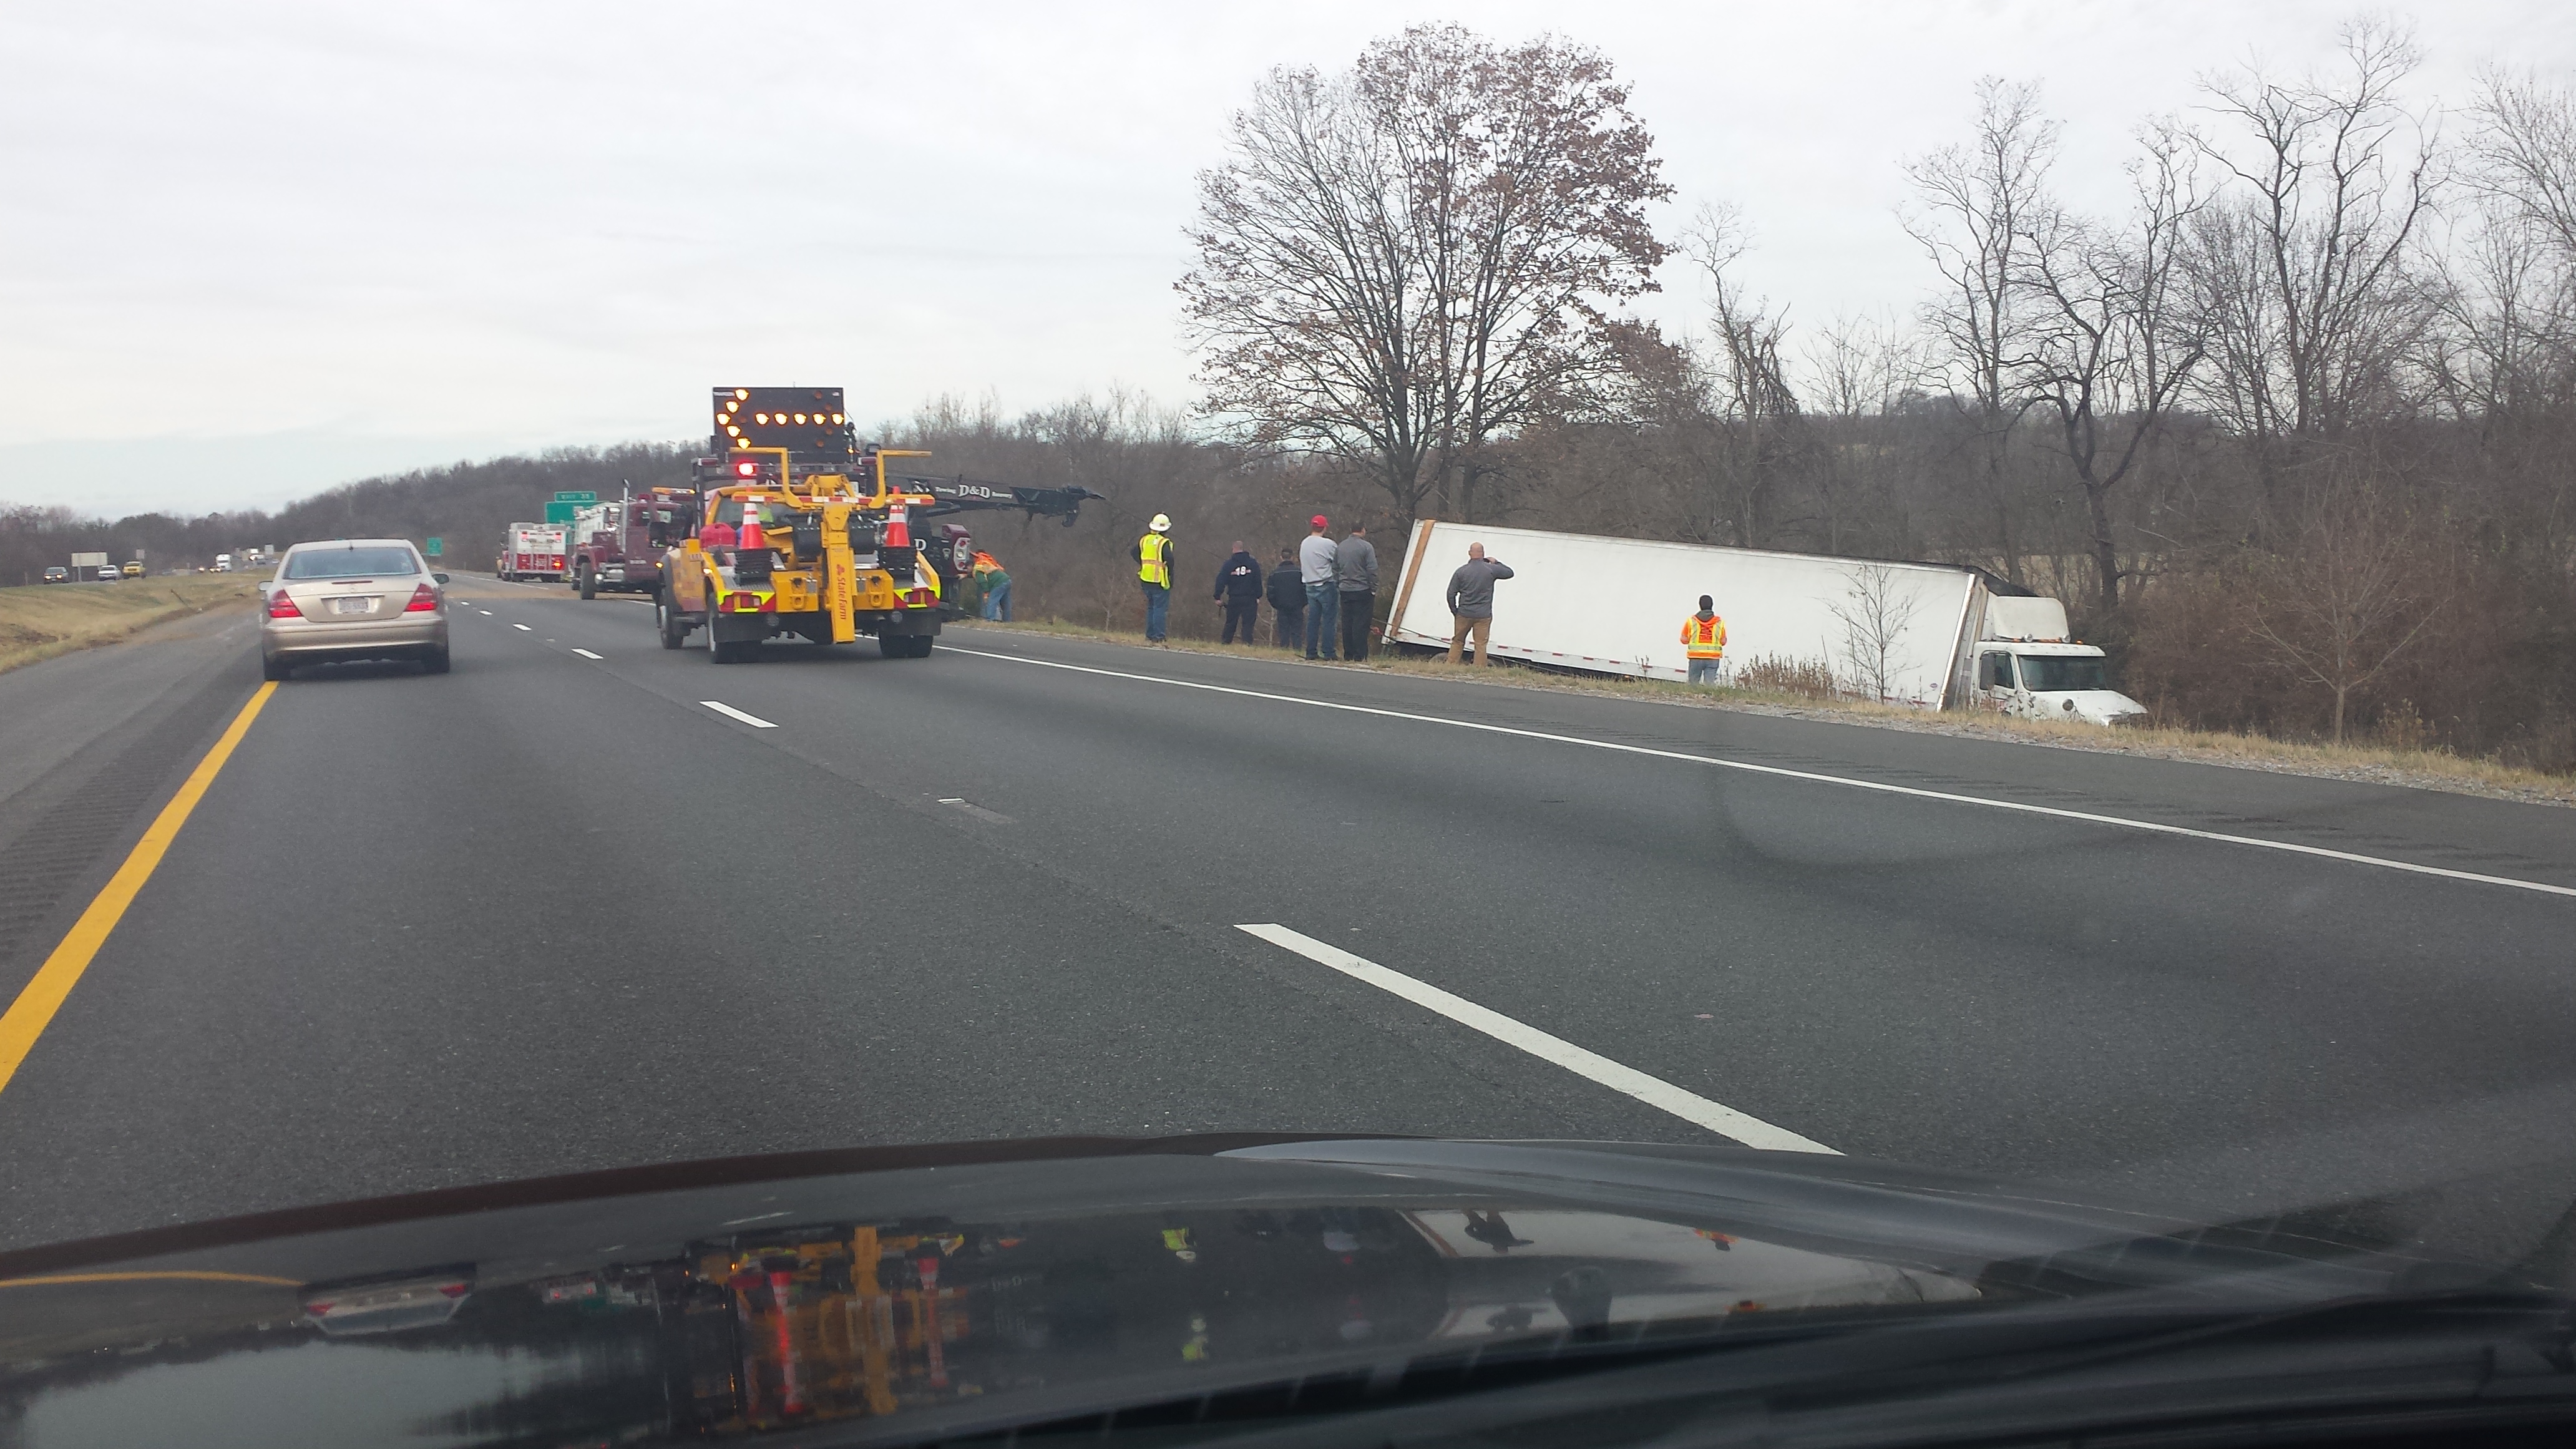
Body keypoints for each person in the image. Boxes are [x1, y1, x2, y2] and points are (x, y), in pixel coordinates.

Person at [1444, 541, 1514, 665]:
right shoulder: (1491, 569)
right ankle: (1479, 669)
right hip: (1483, 615)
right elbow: (1509, 573)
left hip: (1464, 613)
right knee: (1480, 644)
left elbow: (1451, 594)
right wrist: (1496, 562)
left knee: (1458, 641)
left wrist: (1455, 611)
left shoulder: (1461, 571)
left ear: (1469, 553)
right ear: (1483, 554)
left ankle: (1451, 665)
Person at [1335, 520, 1378, 662]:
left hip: (1345, 589)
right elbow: (1372, 569)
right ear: (1363, 530)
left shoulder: (1341, 546)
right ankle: (1360, 655)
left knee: (1347, 622)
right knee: (1361, 623)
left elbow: (1335, 567)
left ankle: (1348, 654)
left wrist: (1339, 583)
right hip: (1362, 589)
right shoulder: (1366, 547)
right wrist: (1374, 587)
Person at [1299, 514, 1339, 660]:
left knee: (1313, 620)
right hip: (1326, 584)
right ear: (1325, 527)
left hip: (1309, 585)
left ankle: (1311, 652)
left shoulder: (1304, 543)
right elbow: (1338, 561)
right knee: (1329, 620)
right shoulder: (1328, 544)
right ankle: (1328, 652)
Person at [1132, 513, 1174, 643]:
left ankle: (1149, 635)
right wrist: (1170, 576)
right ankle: (1159, 636)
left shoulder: (1144, 540)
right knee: (1160, 609)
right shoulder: (1164, 543)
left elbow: (1133, 552)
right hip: (1159, 580)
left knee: (1151, 607)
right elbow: (1170, 560)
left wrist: (1143, 564)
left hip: (1145, 579)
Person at [1214, 540, 1262, 643]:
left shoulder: (1228, 564)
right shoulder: (1253, 563)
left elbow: (1221, 580)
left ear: (1234, 549)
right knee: (1248, 624)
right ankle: (1247, 644)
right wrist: (1258, 596)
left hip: (1234, 598)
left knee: (1231, 622)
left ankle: (1226, 643)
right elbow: (1258, 580)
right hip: (1250, 598)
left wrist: (1218, 596)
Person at [1681, 594, 1726, 685]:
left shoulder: (1691, 621)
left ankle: (1693, 699)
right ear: (1712, 606)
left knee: (1693, 684)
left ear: (1700, 605)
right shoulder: (1719, 623)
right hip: (1713, 658)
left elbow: (1683, 639)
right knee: (1709, 685)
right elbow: (1723, 641)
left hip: (1695, 657)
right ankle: (1708, 699)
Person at [1266, 547, 1305, 650]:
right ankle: (1298, 649)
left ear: (1281, 557)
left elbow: (1270, 592)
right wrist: (1302, 603)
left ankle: (1284, 648)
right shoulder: (1299, 572)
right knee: (1297, 630)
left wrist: (1276, 605)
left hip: (1281, 606)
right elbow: (1305, 590)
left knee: (1283, 630)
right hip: (1297, 606)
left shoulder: (1275, 573)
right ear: (1292, 558)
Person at [978, 553, 1013, 622]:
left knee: (992, 601)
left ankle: (990, 619)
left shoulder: (977, 569)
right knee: (1006, 604)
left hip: (999, 583)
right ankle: (1007, 621)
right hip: (1007, 580)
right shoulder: (987, 563)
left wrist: (986, 591)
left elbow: (982, 581)